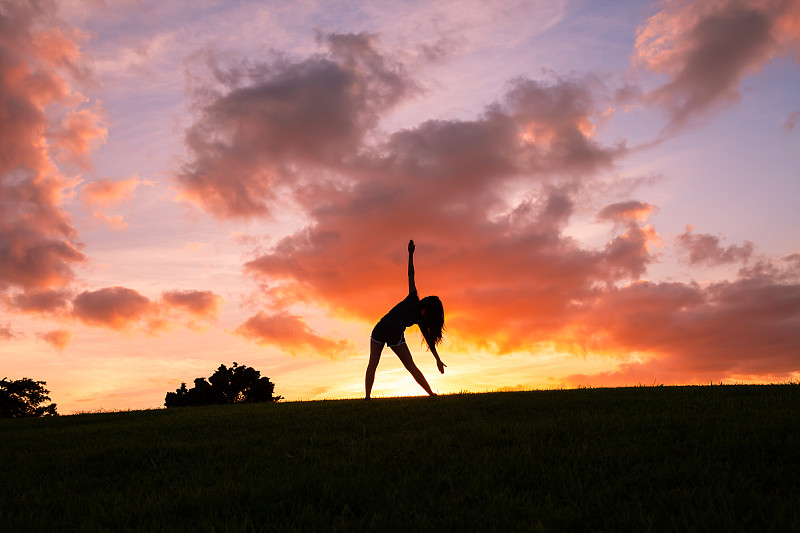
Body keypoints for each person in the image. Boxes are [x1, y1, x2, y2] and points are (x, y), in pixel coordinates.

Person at [365, 239, 446, 399]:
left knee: (410, 366)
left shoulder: (421, 319)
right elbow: (410, 274)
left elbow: (429, 340)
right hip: (381, 330)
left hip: (395, 335)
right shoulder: (413, 298)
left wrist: (437, 359)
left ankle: (430, 394)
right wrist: (410, 254)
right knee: (373, 363)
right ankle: (367, 397)